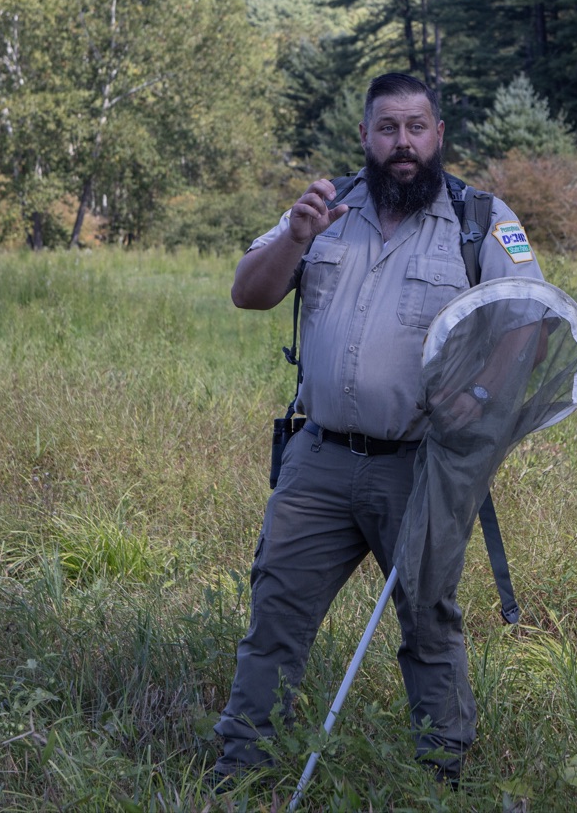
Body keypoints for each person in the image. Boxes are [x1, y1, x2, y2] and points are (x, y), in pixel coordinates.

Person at [213, 72, 544, 787]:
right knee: (275, 614)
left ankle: (438, 778)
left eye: (416, 127)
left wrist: (480, 392)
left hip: (421, 468)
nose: (403, 143)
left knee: (428, 623)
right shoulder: (323, 208)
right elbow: (248, 293)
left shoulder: (479, 218)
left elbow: (531, 317)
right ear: (365, 135)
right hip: (319, 459)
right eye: (387, 128)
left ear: (438, 135)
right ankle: (242, 770)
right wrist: (295, 237)